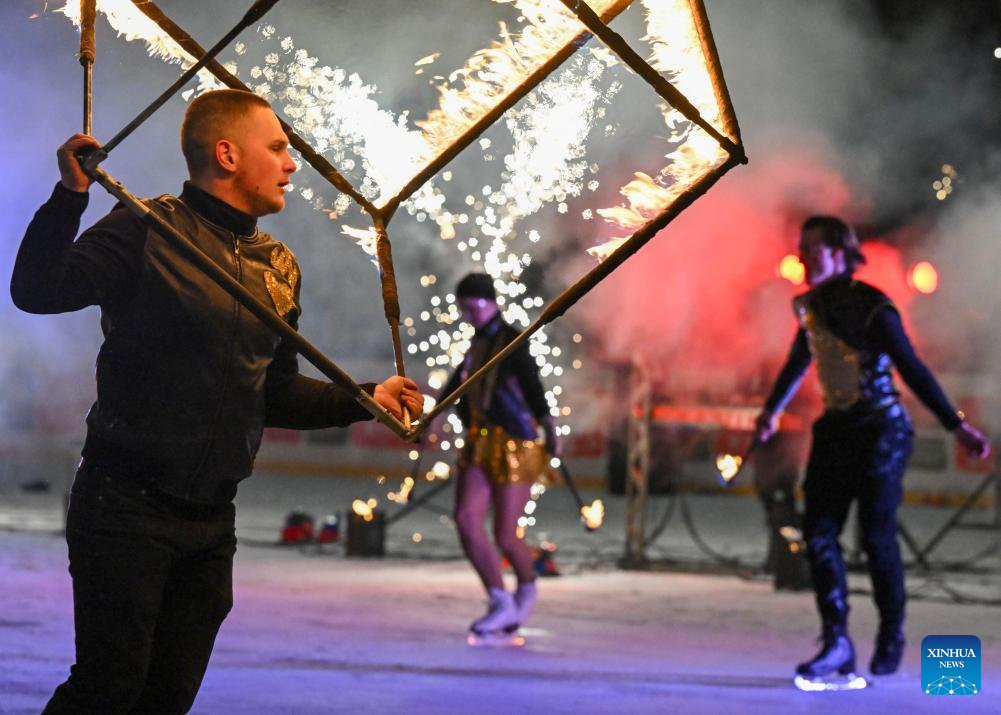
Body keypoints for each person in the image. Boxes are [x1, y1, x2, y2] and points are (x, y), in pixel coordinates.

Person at [10, 89, 424, 714]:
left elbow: (275, 394)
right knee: (107, 689)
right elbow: (38, 290)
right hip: (124, 507)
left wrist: (365, 399)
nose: (291, 164)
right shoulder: (147, 226)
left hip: (210, 522)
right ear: (228, 155)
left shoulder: (277, 264)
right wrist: (70, 196)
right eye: (277, 148)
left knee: (167, 698)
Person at [754, 216, 990, 682]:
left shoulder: (871, 306)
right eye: (802, 249)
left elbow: (912, 368)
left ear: (839, 252)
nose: (804, 258)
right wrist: (770, 412)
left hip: (881, 430)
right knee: (818, 531)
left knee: (876, 536)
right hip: (836, 429)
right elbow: (799, 360)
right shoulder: (811, 306)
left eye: (813, 249)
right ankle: (836, 641)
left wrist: (956, 427)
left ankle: (891, 632)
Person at [441, 273, 559, 640]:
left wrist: (549, 426)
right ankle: (498, 599)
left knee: (506, 535)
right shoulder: (476, 342)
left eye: (476, 305)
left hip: (515, 445)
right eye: (465, 308)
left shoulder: (512, 341)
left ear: (492, 302)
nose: (471, 313)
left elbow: (533, 386)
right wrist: (432, 416)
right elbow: (456, 386)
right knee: (466, 519)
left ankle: (526, 588)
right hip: (479, 442)